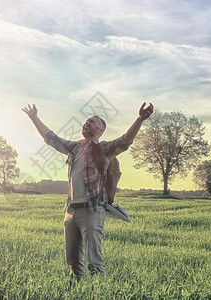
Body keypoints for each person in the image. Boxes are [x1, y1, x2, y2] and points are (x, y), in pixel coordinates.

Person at [22, 102, 154, 280]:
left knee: (94, 262)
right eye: (86, 121)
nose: (87, 123)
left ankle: (98, 292)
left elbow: (124, 141)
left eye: (91, 122)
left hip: (92, 211)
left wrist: (139, 119)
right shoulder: (74, 148)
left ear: (101, 130)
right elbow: (51, 138)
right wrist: (34, 117)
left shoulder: (103, 149)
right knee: (73, 262)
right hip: (71, 211)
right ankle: (78, 291)